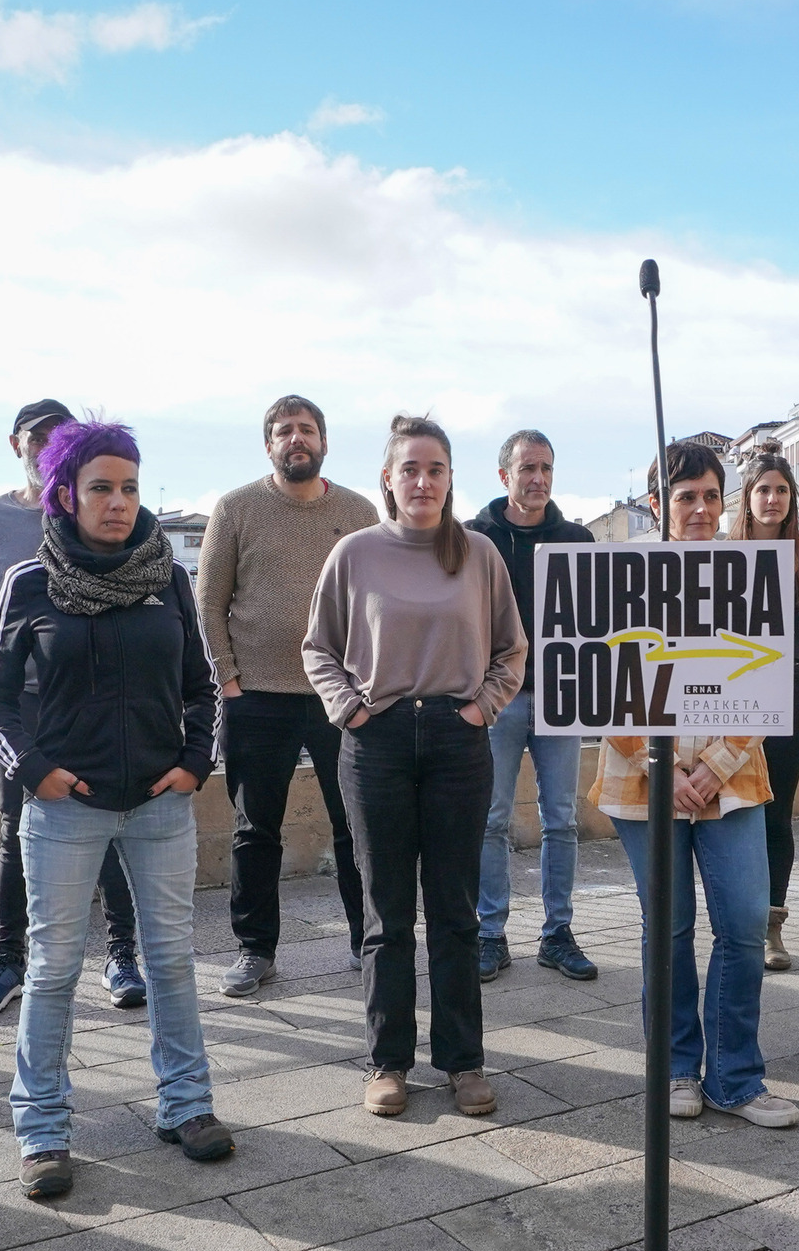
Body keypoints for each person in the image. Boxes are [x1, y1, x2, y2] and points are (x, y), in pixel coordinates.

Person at [0, 418, 232, 1201]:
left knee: (172, 962)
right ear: (65, 494)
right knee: (53, 969)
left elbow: (203, 686)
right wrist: (34, 771)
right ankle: (43, 1128)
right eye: (100, 488)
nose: (117, 504)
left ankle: (185, 1105)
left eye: (127, 487)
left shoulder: (168, 580)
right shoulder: (29, 582)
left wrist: (195, 764)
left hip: (158, 804)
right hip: (65, 808)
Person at [303, 415, 524, 1121]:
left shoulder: (480, 554)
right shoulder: (356, 554)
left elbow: (512, 650)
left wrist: (482, 708)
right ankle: (388, 1061)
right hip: (379, 744)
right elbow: (319, 648)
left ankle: (463, 1061)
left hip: (459, 744)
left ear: (451, 479)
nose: (423, 481)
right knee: (386, 914)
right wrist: (352, 711)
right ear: (389, 479)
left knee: (456, 913)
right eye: (410, 470)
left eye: (435, 469)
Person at [592, 445, 798, 1127]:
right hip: (641, 779)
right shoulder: (623, 576)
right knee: (670, 929)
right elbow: (600, 678)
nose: (702, 509)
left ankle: (736, 1077)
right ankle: (677, 1069)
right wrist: (664, 764)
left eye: (712, 495)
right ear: (659, 505)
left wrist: (710, 765)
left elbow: (766, 681)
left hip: (733, 779)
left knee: (742, 924)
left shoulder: (752, 574)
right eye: (687, 497)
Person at [0, 398, 146, 1017]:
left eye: (59, 436)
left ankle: (121, 956)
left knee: (113, 828)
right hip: (24, 707)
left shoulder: (98, 513)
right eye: (37, 437)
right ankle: (7, 961)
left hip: (98, 703)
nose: (45, 445)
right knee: (15, 834)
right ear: (17, 444)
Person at [198, 394, 378, 997]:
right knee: (255, 829)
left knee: (357, 824)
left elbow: (377, 603)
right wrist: (227, 678)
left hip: (340, 695)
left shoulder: (358, 511)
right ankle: (255, 951)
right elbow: (208, 601)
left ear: (324, 442)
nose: (295, 439)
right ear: (268, 444)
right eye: (283, 431)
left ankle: (365, 940)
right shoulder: (237, 508)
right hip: (256, 696)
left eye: (306, 430)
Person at [465, 432, 600, 984]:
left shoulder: (577, 539)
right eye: (527, 468)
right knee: (492, 819)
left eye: (546, 467)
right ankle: (490, 934)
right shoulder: (475, 538)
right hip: (496, 699)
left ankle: (557, 933)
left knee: (562, 819)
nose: (538, 478)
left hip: (560, 699)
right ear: (505, 476)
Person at [731, 442, 799, 973]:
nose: (772, 498)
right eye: (763, 489)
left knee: (776, 815)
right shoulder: (723, 553)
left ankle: (771, 929)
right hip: (730, 698)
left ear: (791, 499)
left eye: (781, 490)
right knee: (737, 811)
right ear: (748, 498)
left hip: (786, 697)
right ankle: (737, 922)